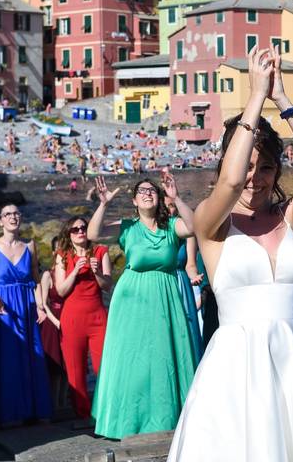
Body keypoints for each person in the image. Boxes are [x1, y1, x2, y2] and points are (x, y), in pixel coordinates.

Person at [168, 46, 293, 462]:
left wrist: (283, 99)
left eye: (266, 167)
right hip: (237, 367)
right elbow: (231, 182)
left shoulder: (292, 219)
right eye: (248, 165)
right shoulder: (211, 223)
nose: (255, 178)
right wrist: (254, 95)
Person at [88, 171, 196, 439]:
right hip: (131, 299)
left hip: (165, 296)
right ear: (135, 201)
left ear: (159, 198)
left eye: (152, 191)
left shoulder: (172, 226)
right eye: (142, 191)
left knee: (163, 356)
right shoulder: (127, 227)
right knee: (132, 359)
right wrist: (103, 204)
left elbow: (195, 228)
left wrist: (177, 198)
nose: (147, 193)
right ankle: (127, 421)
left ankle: (166, 419)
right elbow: (94, 233)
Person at [0, 204, 51, 428]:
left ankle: (33, 410)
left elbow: (35, 280)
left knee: (31, 356)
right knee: (6, 359)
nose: (13, 217)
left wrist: (40, 307)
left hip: (26, 306)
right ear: (0, 221)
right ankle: (7, 413)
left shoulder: (30, 246)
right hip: (2, 307)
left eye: (16, 213)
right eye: (8, 214)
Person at [53, 216, 111, 420]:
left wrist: (96, 273)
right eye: (75, 229)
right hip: (73, 319)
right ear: (68, 233)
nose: (80, 232)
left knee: (103, 367)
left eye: (83, 228)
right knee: (76, 371)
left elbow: (107, 285)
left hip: (98, 317)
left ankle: (106, 413)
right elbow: (60, 290)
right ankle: (83, 416)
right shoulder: (63, 255)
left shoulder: (100, 251)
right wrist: (75, 271)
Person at [168, 197, 204, 364]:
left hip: (181, 285)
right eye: (167, 206)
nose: (171, 210)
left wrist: (193, 276)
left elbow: (190, 264)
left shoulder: (186, 232)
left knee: (186, 333)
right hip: (161, 284)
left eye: (173, 206)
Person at [38, 263, 67, 411]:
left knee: (67, 367)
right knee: (55, 366)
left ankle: (64, 402)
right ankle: (54, 404)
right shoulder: (48, 275)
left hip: (69, 318)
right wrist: (55, 322)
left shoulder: (70, 273)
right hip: (53, 322)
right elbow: (43, 304)